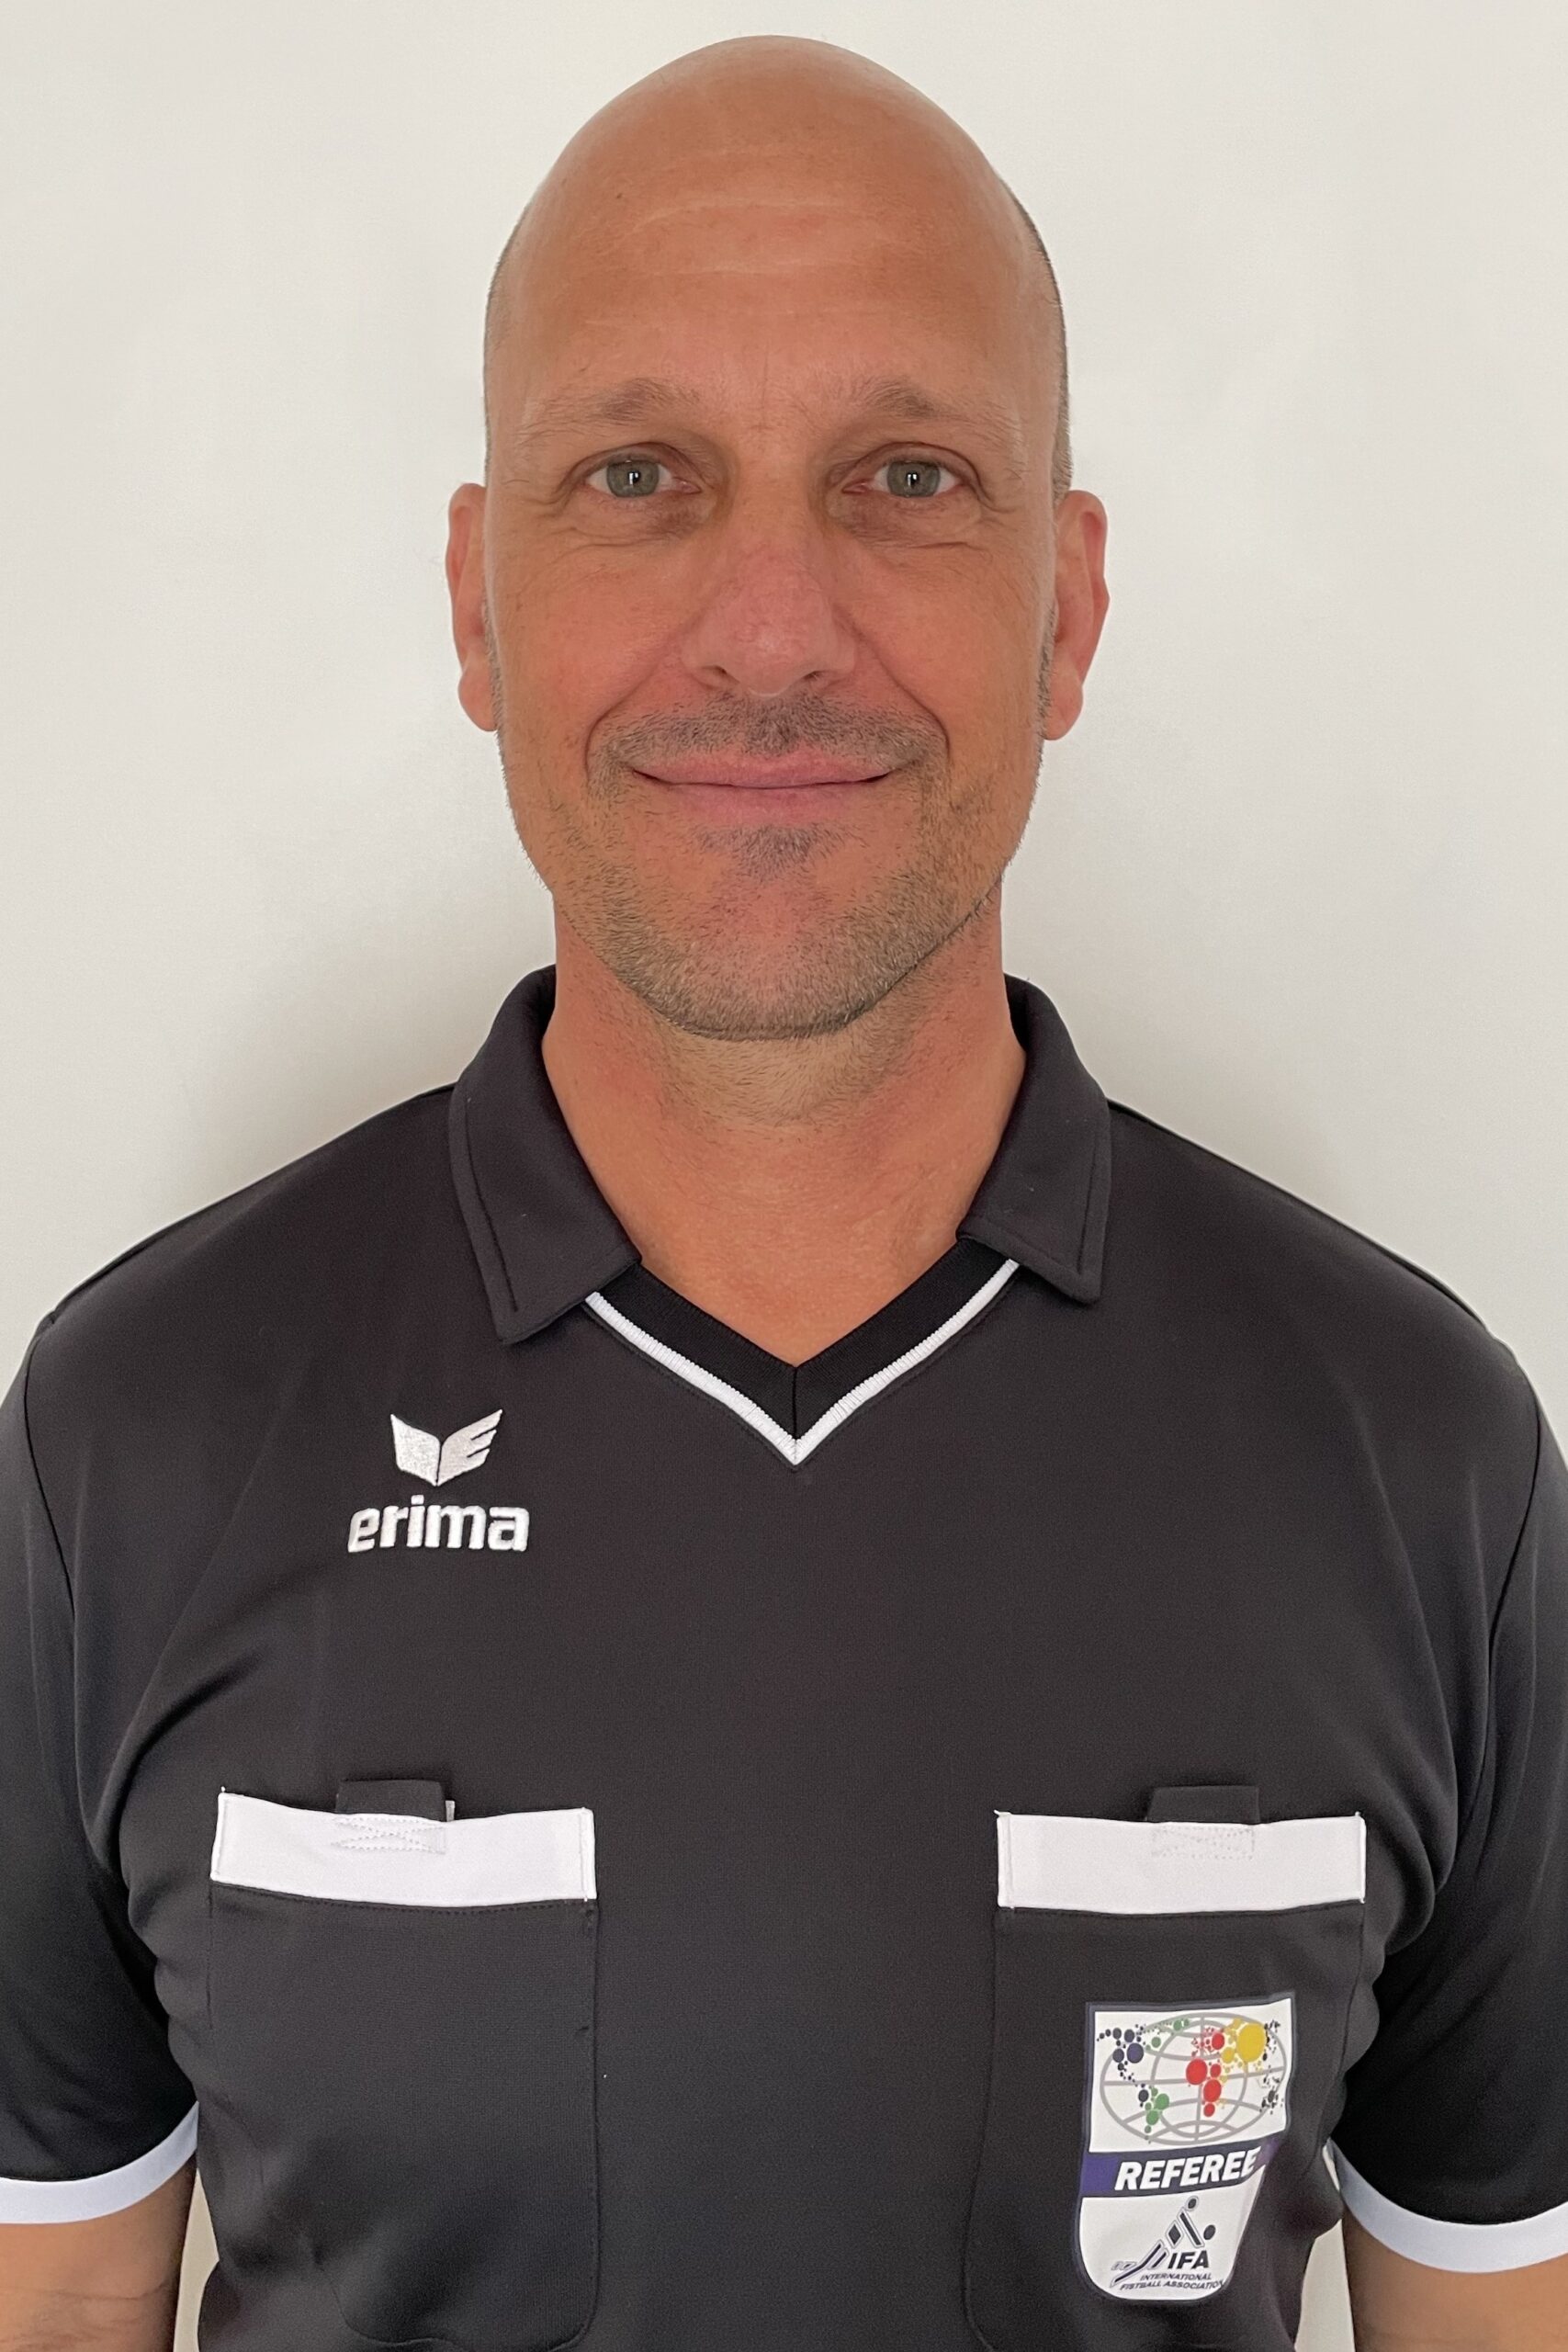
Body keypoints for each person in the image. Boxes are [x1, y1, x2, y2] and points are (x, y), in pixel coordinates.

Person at [2, 32, 1564, 2352]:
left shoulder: (1417, 1460)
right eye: (636, 475)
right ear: (477, 606)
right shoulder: (131, 1437)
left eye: (904, 476)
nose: (767, 630)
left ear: (1062, 607)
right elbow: (57, 2291)